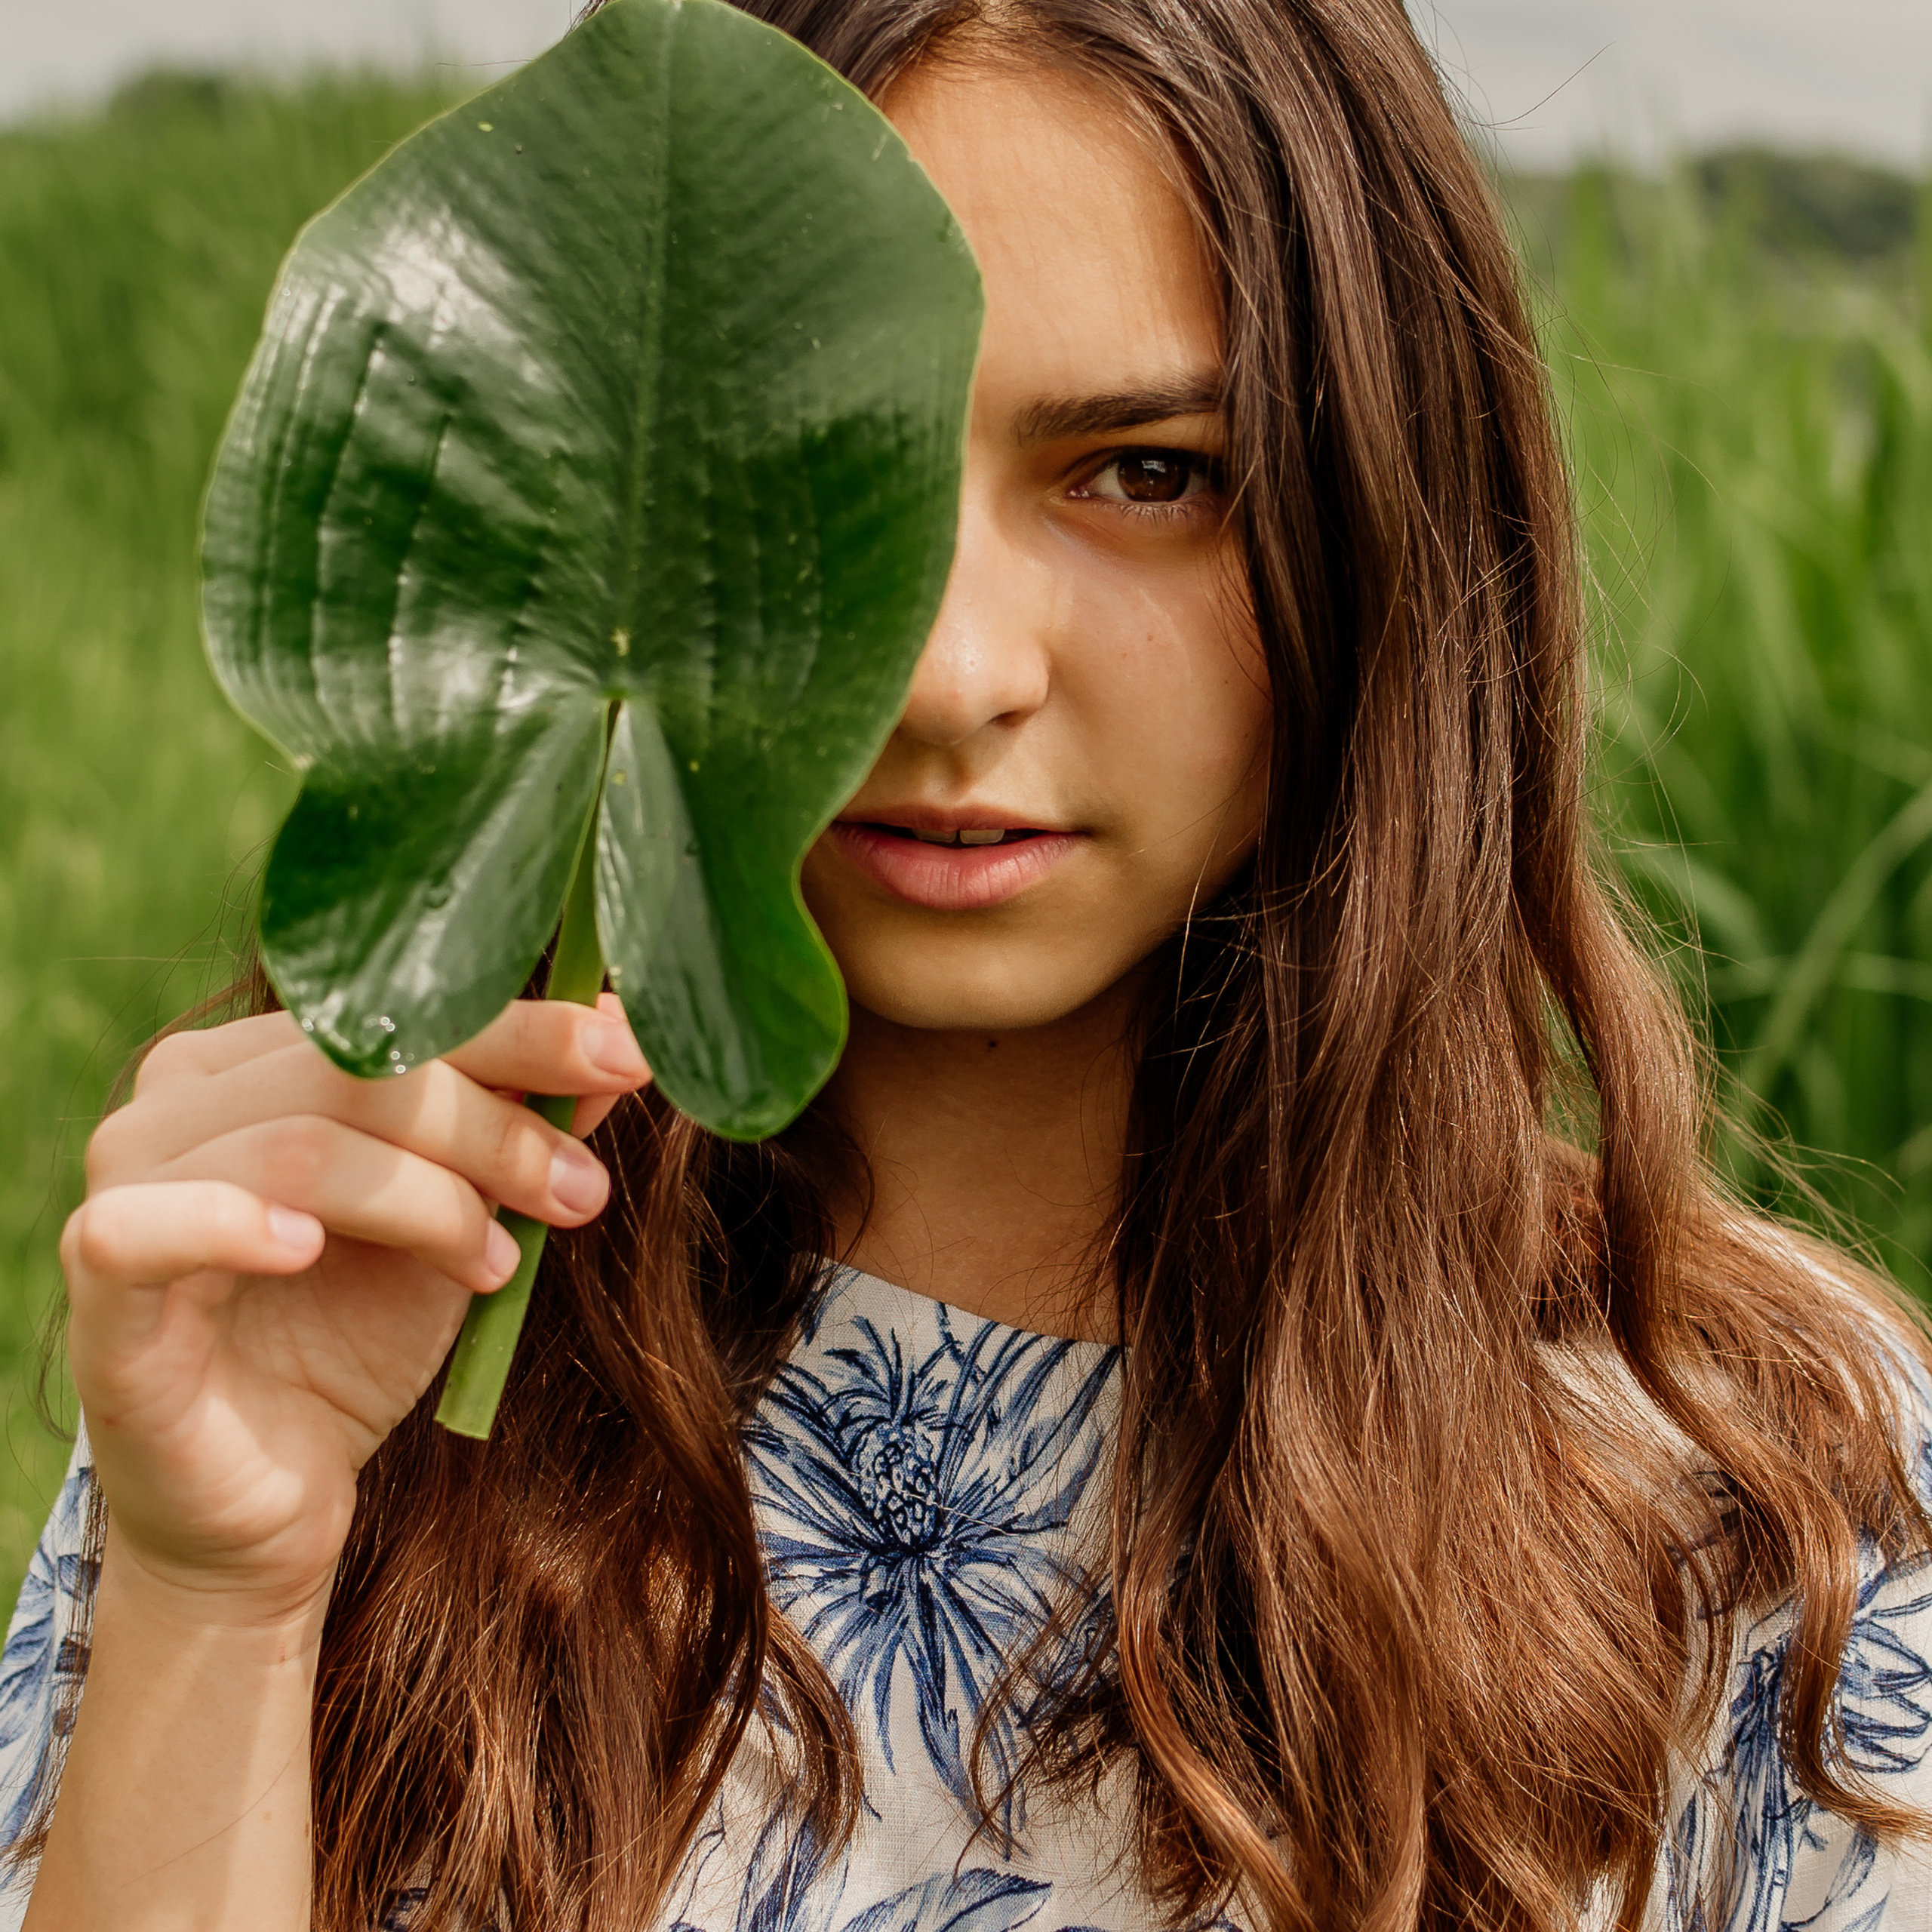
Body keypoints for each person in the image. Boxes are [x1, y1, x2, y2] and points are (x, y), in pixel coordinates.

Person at [5, 0, 1932, 1927]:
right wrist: (222, 1583)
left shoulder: (1748, 1489)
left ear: (1372, 524)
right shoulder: (352, 1313)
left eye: (1145, 473)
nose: (951, 671)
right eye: (813, 481)